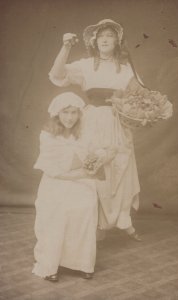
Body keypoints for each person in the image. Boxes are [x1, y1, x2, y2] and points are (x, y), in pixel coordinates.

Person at [48, 19, 142, 241]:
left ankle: (123, 220)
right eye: (101, 37)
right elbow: (57, 74)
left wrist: (134, 109)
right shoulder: (86, 65)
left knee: (121, 167)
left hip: (118, 122)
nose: (105, 40)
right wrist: (66, 47)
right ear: (94, 42)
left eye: (109, 36)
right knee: (94, 166)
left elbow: (141, 97)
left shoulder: (127, 69)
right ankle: (96, 223)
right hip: (93, 120)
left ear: (117, 41)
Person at [32, 92, 99, 282]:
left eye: (74, 113)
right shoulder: (47, 136)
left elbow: (94, 153)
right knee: (59, 213)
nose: (70, 117)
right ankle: (51, 262)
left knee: (84, 212)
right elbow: (54, 170)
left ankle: (81, 262)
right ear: (57, 114)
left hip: (82, 183)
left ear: (79, 114)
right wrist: (83, 173)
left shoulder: (85, 134)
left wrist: (100, 157)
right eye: (65, 113)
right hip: (57, 183)